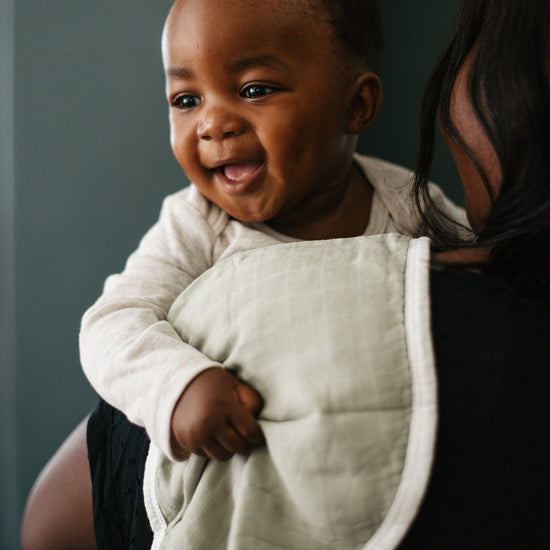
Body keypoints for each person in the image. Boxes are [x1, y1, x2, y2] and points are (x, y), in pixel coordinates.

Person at [24, 0, 550, 547]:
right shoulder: (196, 226)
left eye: (255, 89)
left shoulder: (407, 205)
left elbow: (480, 276)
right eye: (186, 99)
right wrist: (175, 387)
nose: (213, 123)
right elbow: (113, 322)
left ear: (357, 106)